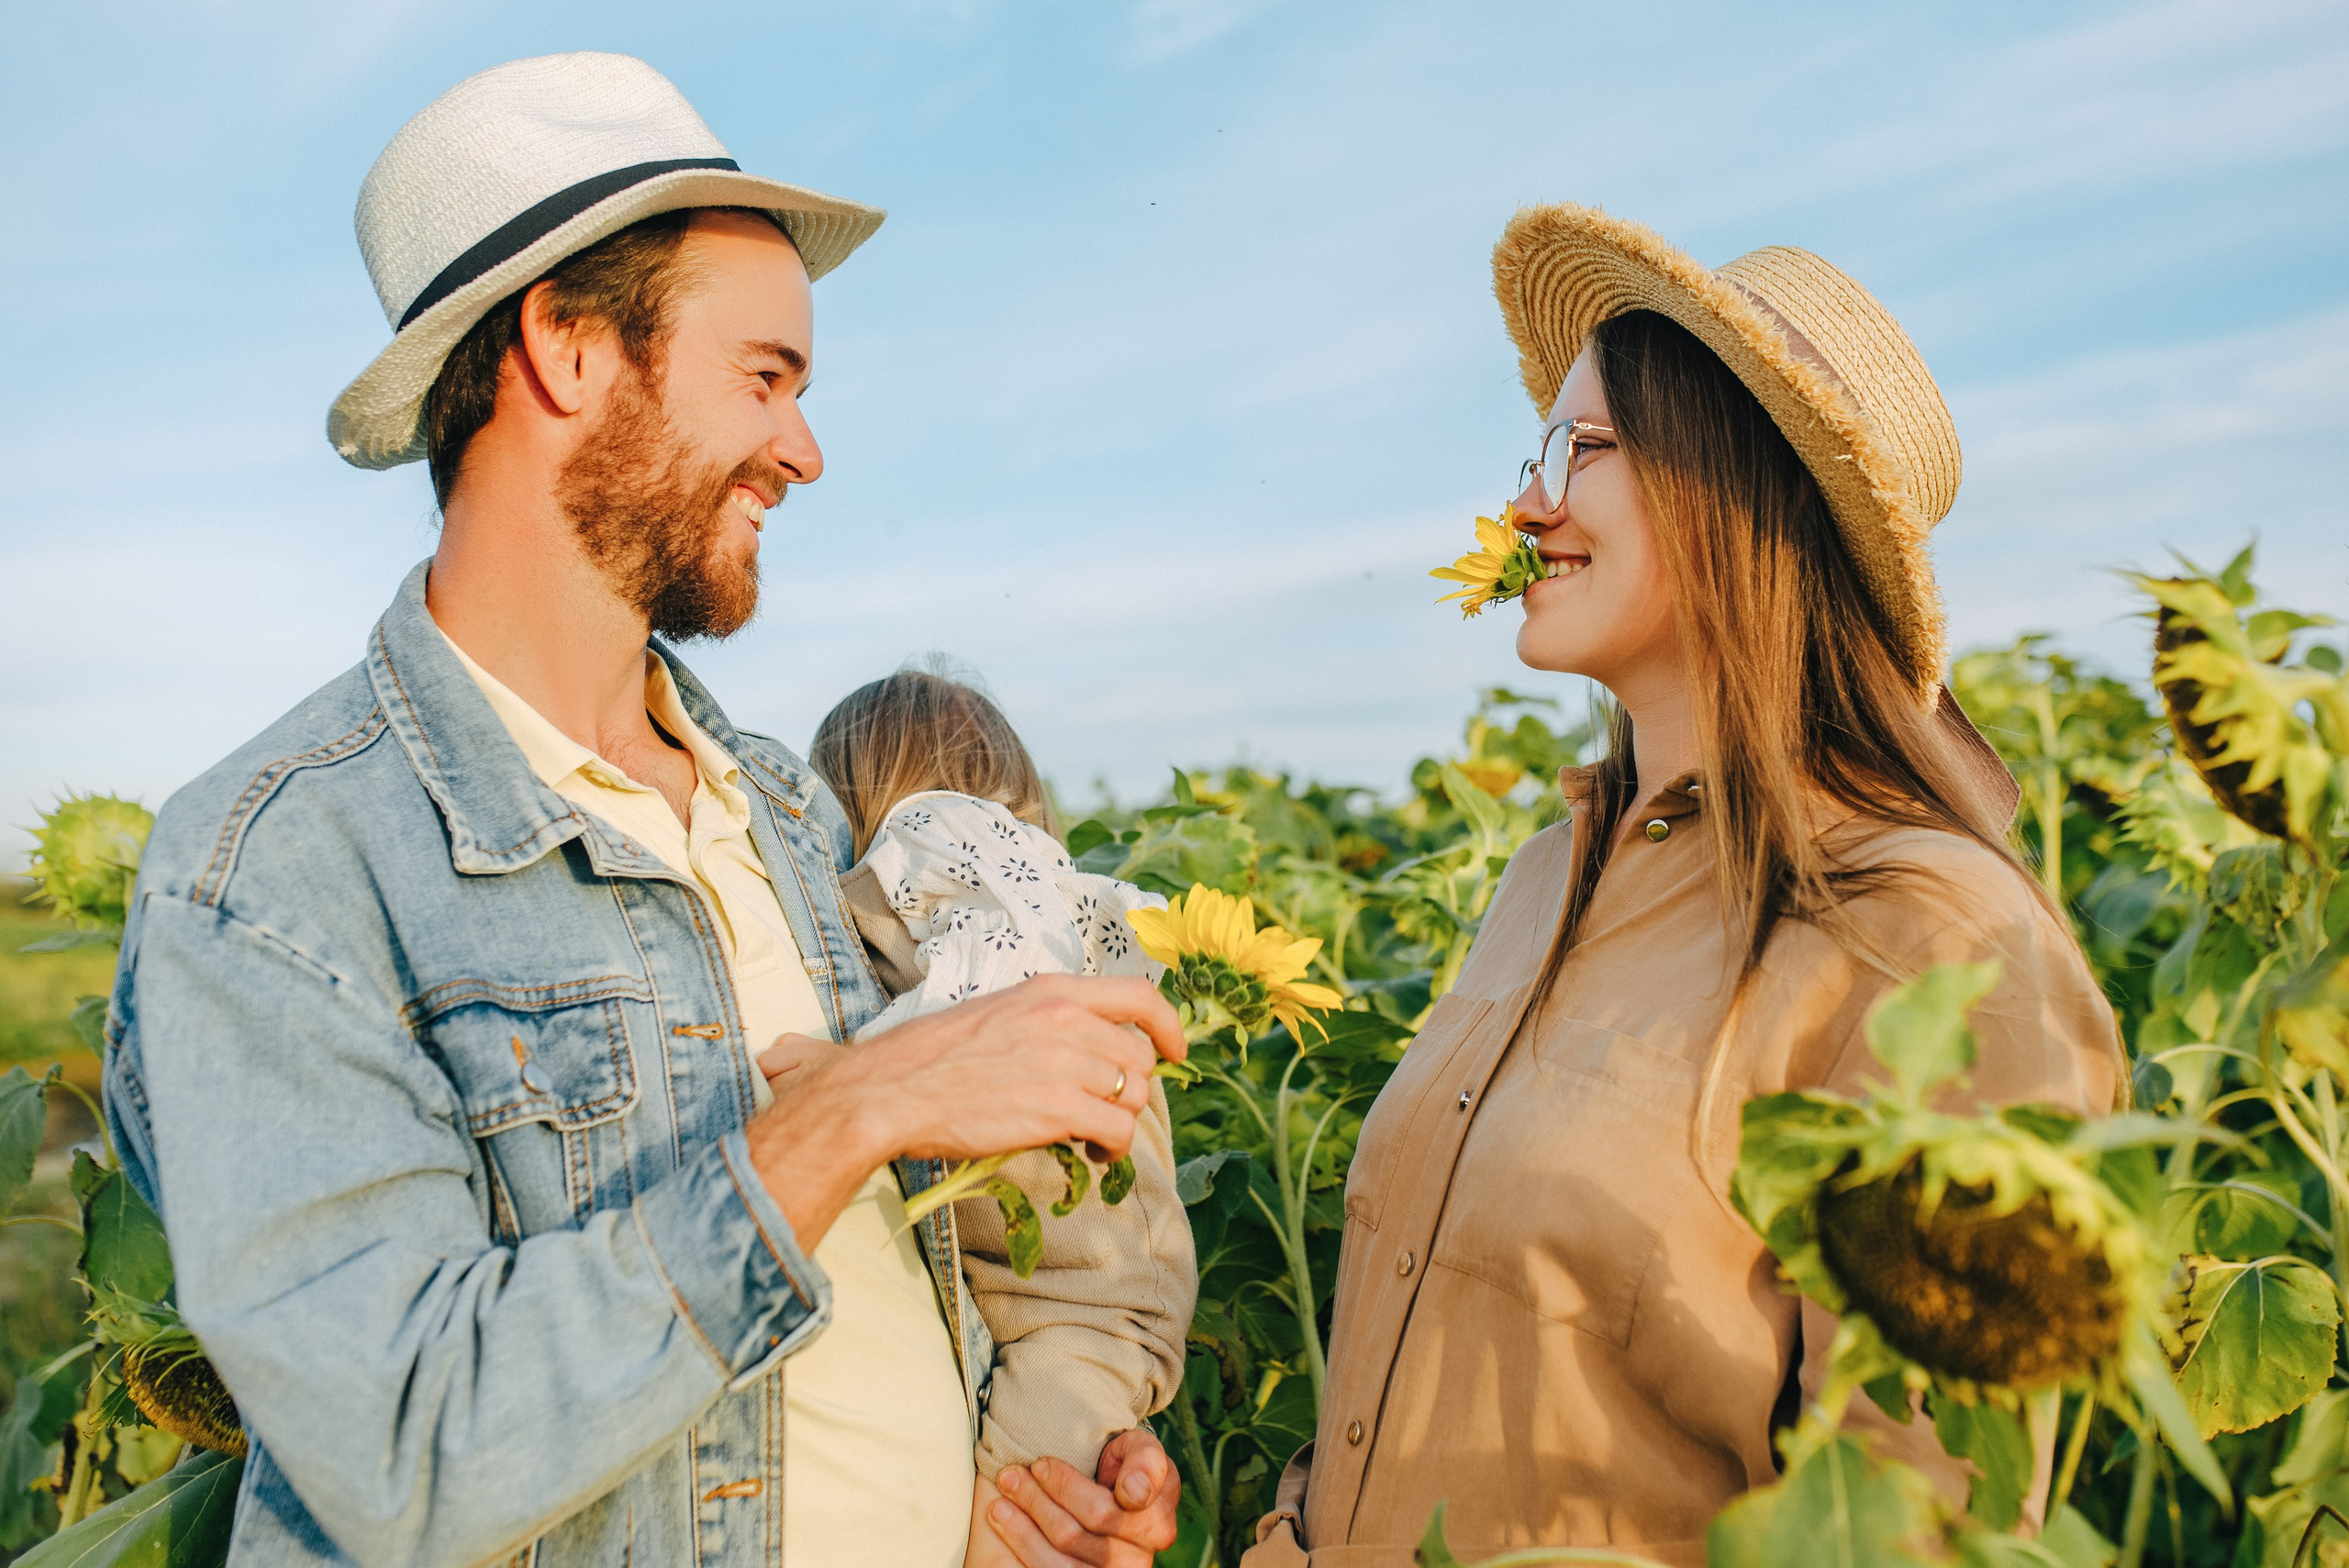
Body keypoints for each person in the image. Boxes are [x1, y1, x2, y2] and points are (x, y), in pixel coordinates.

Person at [106, 53, 1182, 1567]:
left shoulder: (787, 814)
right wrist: (856, 1110)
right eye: (765, 377)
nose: (806, 450)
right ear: (566, 348)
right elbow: (400, 1449)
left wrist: (1034, 1476)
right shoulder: (278, 867)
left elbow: (889, 1308)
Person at [1241, 207, 2123, 1566]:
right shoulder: (1544, 877)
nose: (1526, 506)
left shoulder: (1936, 946)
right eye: (1538, 450)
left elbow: (1922, 1519)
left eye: (1580, 451)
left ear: (1734, 485)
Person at [785, 664, 1197, 1566]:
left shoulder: (981, 895)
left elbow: (962, 1037)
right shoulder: (1059, 905)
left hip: (1087, 1304)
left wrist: (833, 1075)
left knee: (1018, 1516)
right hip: (1050, 1285)